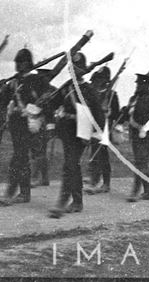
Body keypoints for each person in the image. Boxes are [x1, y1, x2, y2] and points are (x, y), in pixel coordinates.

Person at [45, 52, 105, 218]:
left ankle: (62, 203)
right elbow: (51, 103)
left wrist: (96, 134)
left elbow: (99, 115)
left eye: (76, 67)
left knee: (70, 165)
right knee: (72, 165)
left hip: (82, 132)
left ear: (83, 70)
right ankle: (77, 202)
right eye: (72, 67)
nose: (72, 70)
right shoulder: (67, 86)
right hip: (66, 131)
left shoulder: (89, 90)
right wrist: (51, 122)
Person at [0, 48, 50, 206]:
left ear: (27, 63)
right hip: (16, 124)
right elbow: (1, 100)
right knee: (21, 157)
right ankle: (24, 193)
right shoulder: (13, 82)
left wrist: (34, 110)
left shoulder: (37, 80)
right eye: (16, 62)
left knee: (18, 158)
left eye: (20, 62)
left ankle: (12, 192)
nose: (17, 65)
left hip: (30, 123)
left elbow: (47, 97)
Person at [120, 73, 149, 202]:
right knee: (140, 162)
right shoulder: (133, 99)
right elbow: (127, 116)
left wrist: (146, 130)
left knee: (140, 162)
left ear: (147, 85)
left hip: (148, 135)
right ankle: (147, 192)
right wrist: (124, 112)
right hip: (135, 134)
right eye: (137, 83)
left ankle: (135, 191)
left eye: (140, 84)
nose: (138, 86)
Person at [85, 67, 120, 195]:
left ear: (106, 80)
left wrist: (109, 113)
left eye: (100, 79)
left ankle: (105, 183)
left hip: (105, 129)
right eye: (96, 79)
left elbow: (117, 113)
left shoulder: (112, 95)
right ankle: (95, 180)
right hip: (94, 127)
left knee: (102, 156)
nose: (97, 81)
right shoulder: (94, 94)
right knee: (94, 154)